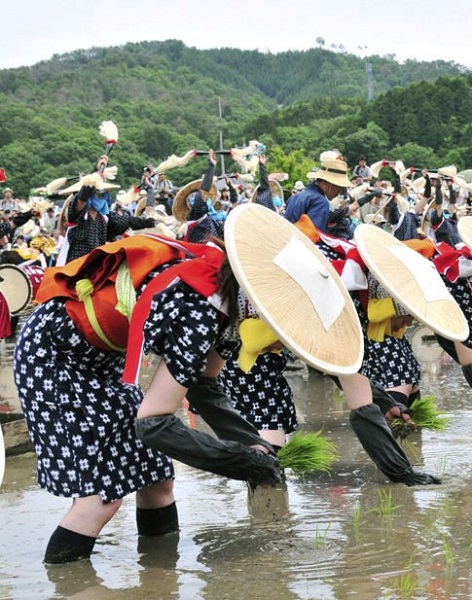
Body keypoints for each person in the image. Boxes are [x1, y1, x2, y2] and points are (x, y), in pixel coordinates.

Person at [14, 233, 284, 564]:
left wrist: (254, 445)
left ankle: (159, 576)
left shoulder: (230, 306)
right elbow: (154, 423)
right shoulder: (202, 308)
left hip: (103, 360)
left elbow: (203, 386)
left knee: (158, 479)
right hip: (54, 355)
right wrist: (243, 462)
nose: (281, 347)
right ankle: (66, 583)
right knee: (100, 499)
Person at [285, 153, 352, 232]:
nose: (340, 191)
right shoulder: (320, 202)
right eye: (339, 185)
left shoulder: (295, 197)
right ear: (326, 182)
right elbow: (315, 235)